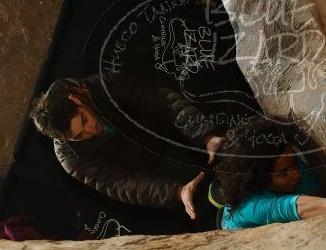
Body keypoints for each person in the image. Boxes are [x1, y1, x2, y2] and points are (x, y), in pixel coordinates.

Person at [30, 68, 221, 223]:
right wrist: (177, 193)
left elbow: (161, 101)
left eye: (84, 119)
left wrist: (206, 136)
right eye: (80, 135)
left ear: (76, 99)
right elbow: (122, 185)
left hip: (174, 136)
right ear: (67, 139)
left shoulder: (103, 86)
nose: (92, 130)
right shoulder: (70, 158)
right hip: (155, 175)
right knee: (209, 211)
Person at [213, 116, 326, 230]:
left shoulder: (288, 163)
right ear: (258, 178)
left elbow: (317, 202)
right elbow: (291, 207)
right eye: (283, 172)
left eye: (294, 162)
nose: (296, 174)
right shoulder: (250, 207)